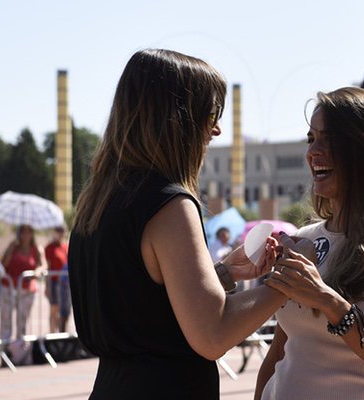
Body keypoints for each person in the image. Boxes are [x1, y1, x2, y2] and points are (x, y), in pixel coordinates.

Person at [68, 49, 287, 399]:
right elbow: (212, 334)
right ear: (179, 118)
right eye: (211, 113)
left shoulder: (97, 202)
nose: (216, 129)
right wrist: (289, 281)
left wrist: (224, 272)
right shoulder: (169, 205)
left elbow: (143, 307)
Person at [255, 87, 364, 400]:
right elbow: (279, 353)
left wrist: (326, 299)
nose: (313, 152)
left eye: (330, 140)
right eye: (311, 139)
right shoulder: (306, 238)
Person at [0, 225, 44, 342]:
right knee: (6, 321)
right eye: (23, 232)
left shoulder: (37, 249)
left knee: (22, 322)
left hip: (27, 290)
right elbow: (3, 265)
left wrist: (37, 272)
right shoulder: (13, 246)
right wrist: (11, 249)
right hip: (8, 288)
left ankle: (19, 349)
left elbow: (43, 265)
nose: (26, 235)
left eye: (29, 232)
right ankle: (4, 348)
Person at [44, 226, 69, 332]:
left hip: (65, 284)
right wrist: (47, 286)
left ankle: (62, 333)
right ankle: (52, 333)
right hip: (54, 283)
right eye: (58, 231)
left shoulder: (66, 246)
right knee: (54, 309)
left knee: (64, 311)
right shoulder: (49, 248)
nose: (60, 234)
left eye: (62, 231)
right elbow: (48, 267)